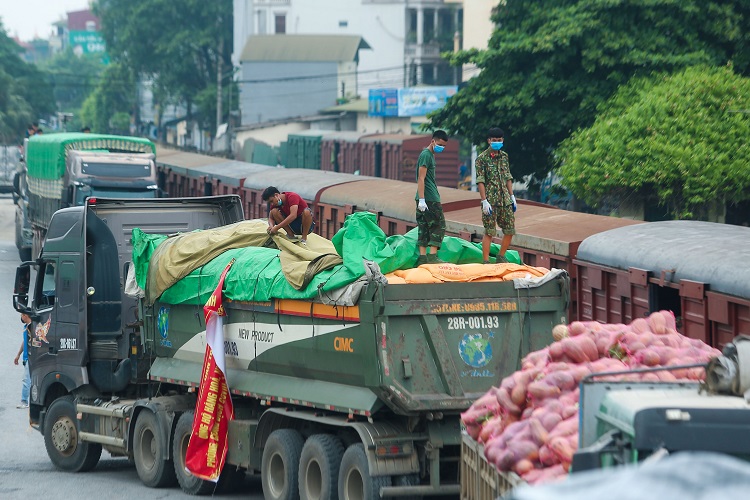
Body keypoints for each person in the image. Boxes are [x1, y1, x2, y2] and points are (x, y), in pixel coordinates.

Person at [476, 127, 516, 264]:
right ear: (489, 141)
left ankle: (501, 256)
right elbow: (480, 180)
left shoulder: (504, 156)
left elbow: (508, 177)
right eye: (494, 140)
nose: (497, 143)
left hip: (505, 199)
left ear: (502, 140)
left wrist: (512, 196)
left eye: (499, 140)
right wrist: (484, 200)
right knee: (489, 231)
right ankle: (486, 261)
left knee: (510, 229)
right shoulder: (482, 158)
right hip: (490, 200)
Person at [415, 129, 449, 266]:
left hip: (423, 197)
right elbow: (421, 178)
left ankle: (423, 258)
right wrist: (423, 199)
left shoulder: (429, 155)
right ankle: (433, 256)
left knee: (423, 227)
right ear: (432, 141)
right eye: (440, 144)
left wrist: (420, 199)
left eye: (444, 146)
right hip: (429, 198)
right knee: (439, 225)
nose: (442, 147)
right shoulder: (426, 155)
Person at [13, 314, 32, 409]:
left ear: (26, 315)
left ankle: (24, 401)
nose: (21, 317)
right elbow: (24, 341)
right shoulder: (26, 327)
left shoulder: (33, 327)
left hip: (30, 358)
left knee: (26, 380)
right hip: (26, 358)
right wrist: (18, 354)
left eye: (21, 315)